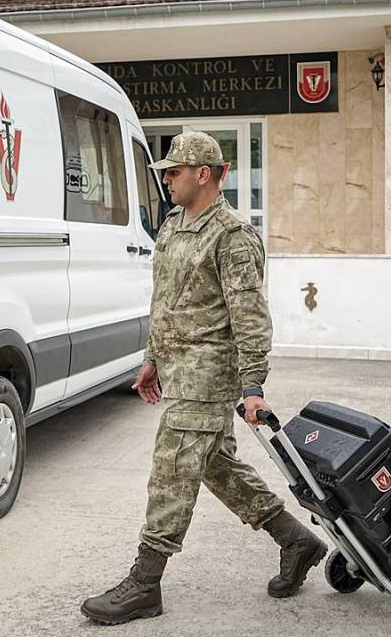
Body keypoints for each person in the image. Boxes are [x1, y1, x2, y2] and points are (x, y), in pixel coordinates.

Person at [80, 131, 327, 625]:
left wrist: (254, 386)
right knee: (216, 467)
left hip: (210, 378)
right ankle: (296, 540)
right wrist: (153, 357)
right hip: (177, 370)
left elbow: (249, 316)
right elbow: (167, 301)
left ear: (205, 173)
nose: (166, 179)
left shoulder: (232, 236)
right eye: (165, 171)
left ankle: (145, 583)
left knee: (171, 469)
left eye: (174, 171)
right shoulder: (174, 224)